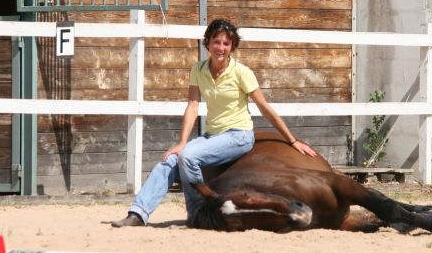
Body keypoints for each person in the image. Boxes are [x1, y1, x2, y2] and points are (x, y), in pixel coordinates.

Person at [112, 18, 316, 227]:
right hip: (213, 136)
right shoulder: (198, 70)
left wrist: (292, 140)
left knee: (189, 157)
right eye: (216, 42)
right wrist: (182, 142)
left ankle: (196, 212)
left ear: (232, 47)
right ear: (207, 43)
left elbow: (264, 107)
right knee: (170, 160)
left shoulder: (242, 73)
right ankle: (138, 213)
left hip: (239, 135)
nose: (221, 48)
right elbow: (193, 105)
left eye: (226, 44)